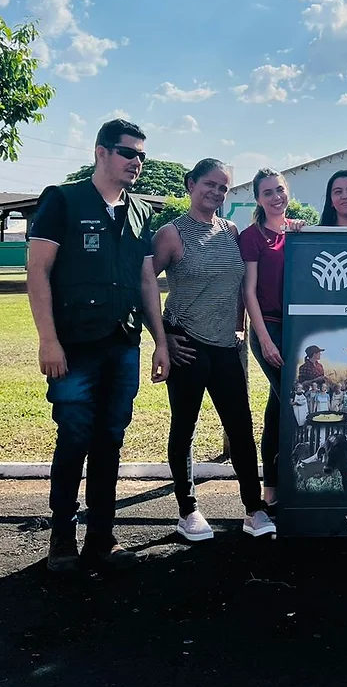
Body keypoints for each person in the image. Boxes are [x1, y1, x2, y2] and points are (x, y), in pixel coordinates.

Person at [27, 118, 170, 573]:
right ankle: (62, 536)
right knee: (74, 437)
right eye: (128, 152)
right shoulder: (63, 200)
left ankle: (102, 536)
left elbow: (146, 280)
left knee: (110, 440)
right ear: (101, 152)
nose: (137, 162)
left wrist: (160, 341)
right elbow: (37, 272)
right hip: (74, 345)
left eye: (142, 155)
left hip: (122, 343)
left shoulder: (140, 210)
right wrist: (48, 340)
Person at [152, 159, 274, 541]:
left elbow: (238, 284)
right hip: (186, 344)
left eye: (223, 188)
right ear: (191, 184)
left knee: (241, 427)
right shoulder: (171, 234)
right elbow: (142, 285)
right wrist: (162, 338)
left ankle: (254, 509)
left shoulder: (230, 230)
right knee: (184, 428)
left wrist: (239, 326)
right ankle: (188, 511)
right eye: (210, 184)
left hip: (225, 346)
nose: (217, 193)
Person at [239, 168, 304, 513]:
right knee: (295, 406)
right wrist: (264, 340)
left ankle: (272, 490)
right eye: (268, 192)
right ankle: (291, 487)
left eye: (280, 190)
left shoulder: (300, 231)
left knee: (277, 409)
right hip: (271, 330)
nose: (276, 197)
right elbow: (248, 292)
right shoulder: (252, 237)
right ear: (258, 199)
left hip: (299, 331)